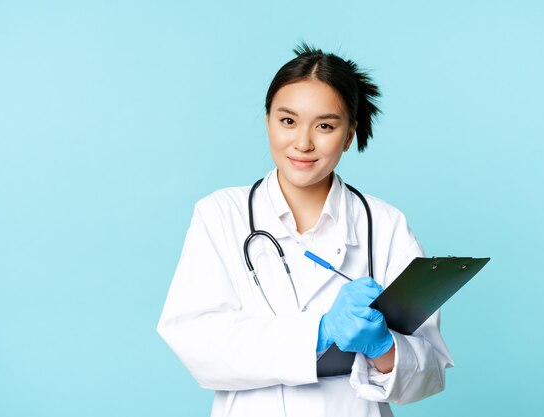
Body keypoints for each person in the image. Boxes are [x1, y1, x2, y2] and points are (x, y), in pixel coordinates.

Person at [157, 43, 454, 417]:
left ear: (349, 135)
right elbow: (196, 340)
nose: (303, 142)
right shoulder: (220, 214)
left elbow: (428, 376)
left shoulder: (385, 223)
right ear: (267, 121)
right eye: (288, 121)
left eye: (325, 126)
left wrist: (384, 347)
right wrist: (319, 331)